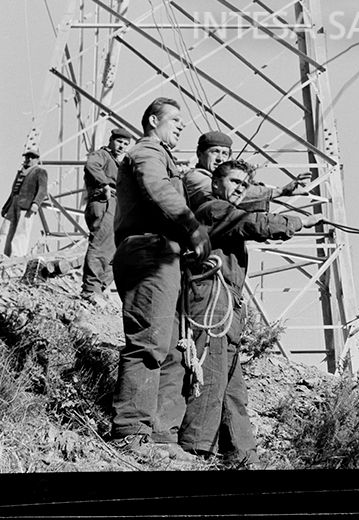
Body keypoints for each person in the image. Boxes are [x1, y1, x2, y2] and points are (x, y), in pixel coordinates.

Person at [176, 158, 316, 465]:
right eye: (234, 182)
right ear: (215, 184)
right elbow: (253, 224)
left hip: (229, 305)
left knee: (232, 387)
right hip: (212, 299)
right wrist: (297, 221)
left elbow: (249, 218)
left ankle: (242, 455)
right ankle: (194, 451)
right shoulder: (213, 209)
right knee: (211, 374)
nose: (240, 188)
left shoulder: (226, 210)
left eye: (244, 185)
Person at [109, 96, 212, 463]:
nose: (181, 126)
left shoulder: (159, 154)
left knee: (168, 347)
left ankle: (160, 437)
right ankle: (130, 431)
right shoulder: (147, 152)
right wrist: (192, 228)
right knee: (148, 341)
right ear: (153, 121)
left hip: (163, 253)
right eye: (175, 119)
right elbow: (158, 190)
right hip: (149, 250)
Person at [80, 126, 134, 302]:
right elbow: (91, 166)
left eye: (125, 144)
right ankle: (91, 288)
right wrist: (104, 184)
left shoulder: (121, 163)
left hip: (117, 206)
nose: (121, 146)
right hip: (104, 202)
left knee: (115, 249)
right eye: (119, 142)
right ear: (111, 141)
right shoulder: (102, 155)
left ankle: (100, 287)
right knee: (101, 244)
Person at [0, 150, 49, 257]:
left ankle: (16, 256)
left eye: (32, 157)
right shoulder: (21, 173)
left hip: (27, 206)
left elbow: (42, 190)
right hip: (14, 204)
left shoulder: (40, 172)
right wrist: (6, 207)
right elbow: (13, 192)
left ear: (37, 159)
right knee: (5, 231)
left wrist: (36, 203)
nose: (29, 159)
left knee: (21, 233)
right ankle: (1, 255)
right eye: (27, 157)